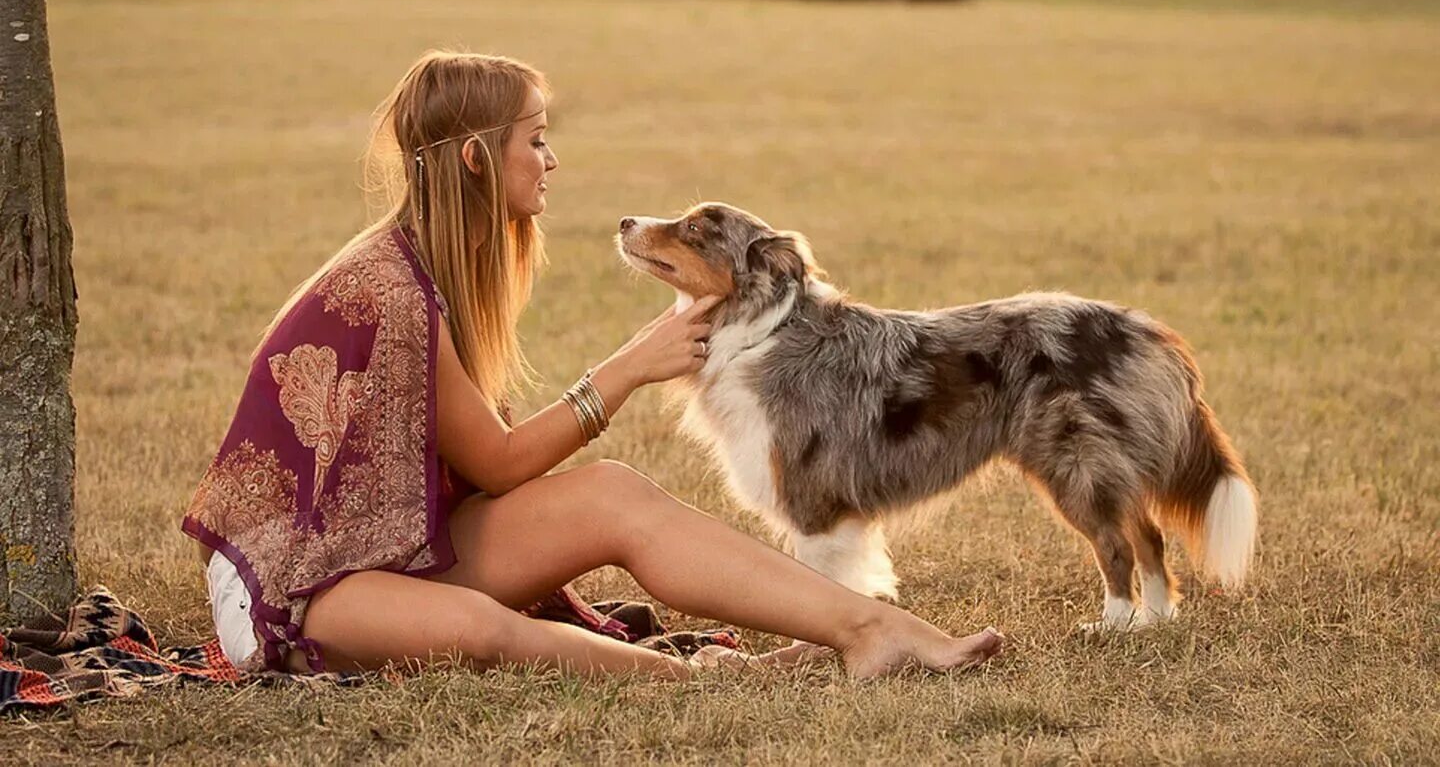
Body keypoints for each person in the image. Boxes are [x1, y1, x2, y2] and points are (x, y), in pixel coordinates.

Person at [182, 50, 1004, 679]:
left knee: (614, 493)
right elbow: (497, 467)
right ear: (475, 160)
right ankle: (702, 681)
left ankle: (869, 628)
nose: (551, 160)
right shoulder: (383, 289)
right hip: (294, 584)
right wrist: (628, 366)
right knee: (481, 631)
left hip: (385, 544)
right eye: (535, 141)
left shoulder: (439, 268)